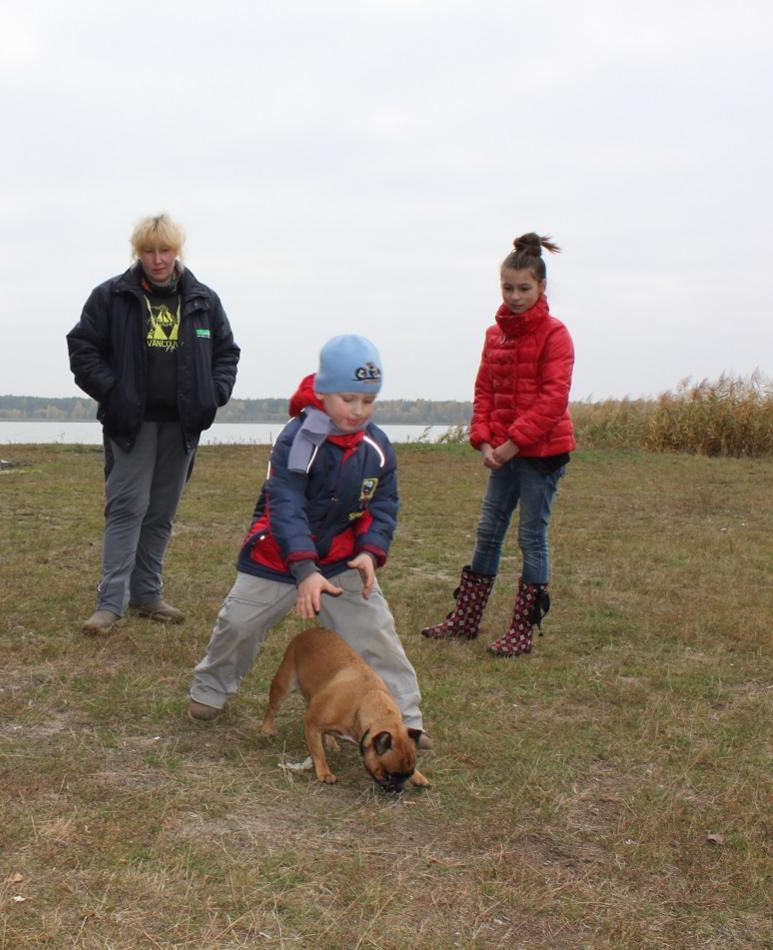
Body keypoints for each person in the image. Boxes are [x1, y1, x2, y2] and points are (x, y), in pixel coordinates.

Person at [186, 335, 428, 747]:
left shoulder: (378, 448)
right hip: (278, 556)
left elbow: (383, 504)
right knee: (238, 625)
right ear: (322, 392)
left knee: (377, 635)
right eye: (348, 399)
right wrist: (304, 569)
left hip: (340, 559)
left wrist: (370, 552)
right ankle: (210, 689)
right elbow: (286, 504)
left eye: (368, 401)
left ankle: (404, 719)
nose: (358, 410)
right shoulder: (297, 439)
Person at [66, 213, 240, 637]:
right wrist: (115, 392)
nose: (158, 259)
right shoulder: (111, 296)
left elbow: (226, 354)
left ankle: (146, 594)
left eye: (165, 250)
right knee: (127, 508)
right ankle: (110, 603)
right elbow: (83, 349)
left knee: (161, 512)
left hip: (182, 426)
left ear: (177, 252)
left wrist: (212, 394)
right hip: (131, 424)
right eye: (148, 251)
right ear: (137, 252)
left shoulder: (203, 300)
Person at [421, 232, 575, 657]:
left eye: (524, 288)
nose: (515, 296)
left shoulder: (556, 335)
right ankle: (466, 620)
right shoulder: (495, 335)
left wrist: (512, 445)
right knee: (488, 531)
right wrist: (484, 439)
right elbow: (484, 390)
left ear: (541, 287)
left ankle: (522, 631)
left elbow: (553, 400)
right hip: (503, 452)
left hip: (542, 455)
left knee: (531, 537)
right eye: (508, 288)